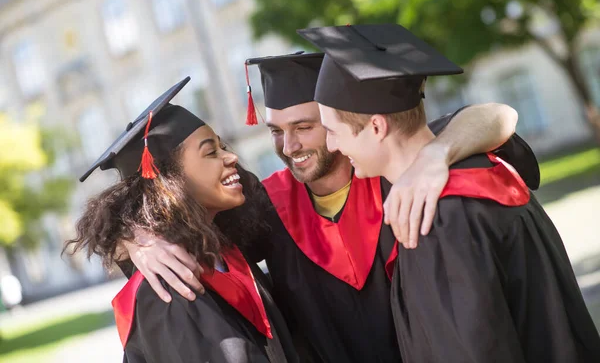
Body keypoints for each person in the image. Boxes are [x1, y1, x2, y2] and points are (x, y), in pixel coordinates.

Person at [119, 52, 541, 362]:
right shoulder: (267, 207)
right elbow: (183, 218)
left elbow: (497, 115)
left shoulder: (400, 171)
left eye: (304, 127)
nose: (290, 146)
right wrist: (139, 238)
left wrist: (438, 154)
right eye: (277, 131)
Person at [300, 23, 600, 362]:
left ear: (376, 126)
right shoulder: (484, 164)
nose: (331, 145)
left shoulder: (432, 219)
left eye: (333, 131)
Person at [65, 78, 298, 363]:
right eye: (211, 152)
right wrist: (133, 237)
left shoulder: (226, 249)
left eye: (222, 146)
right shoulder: (168, 289)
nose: (232, 157)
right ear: (169, 181)